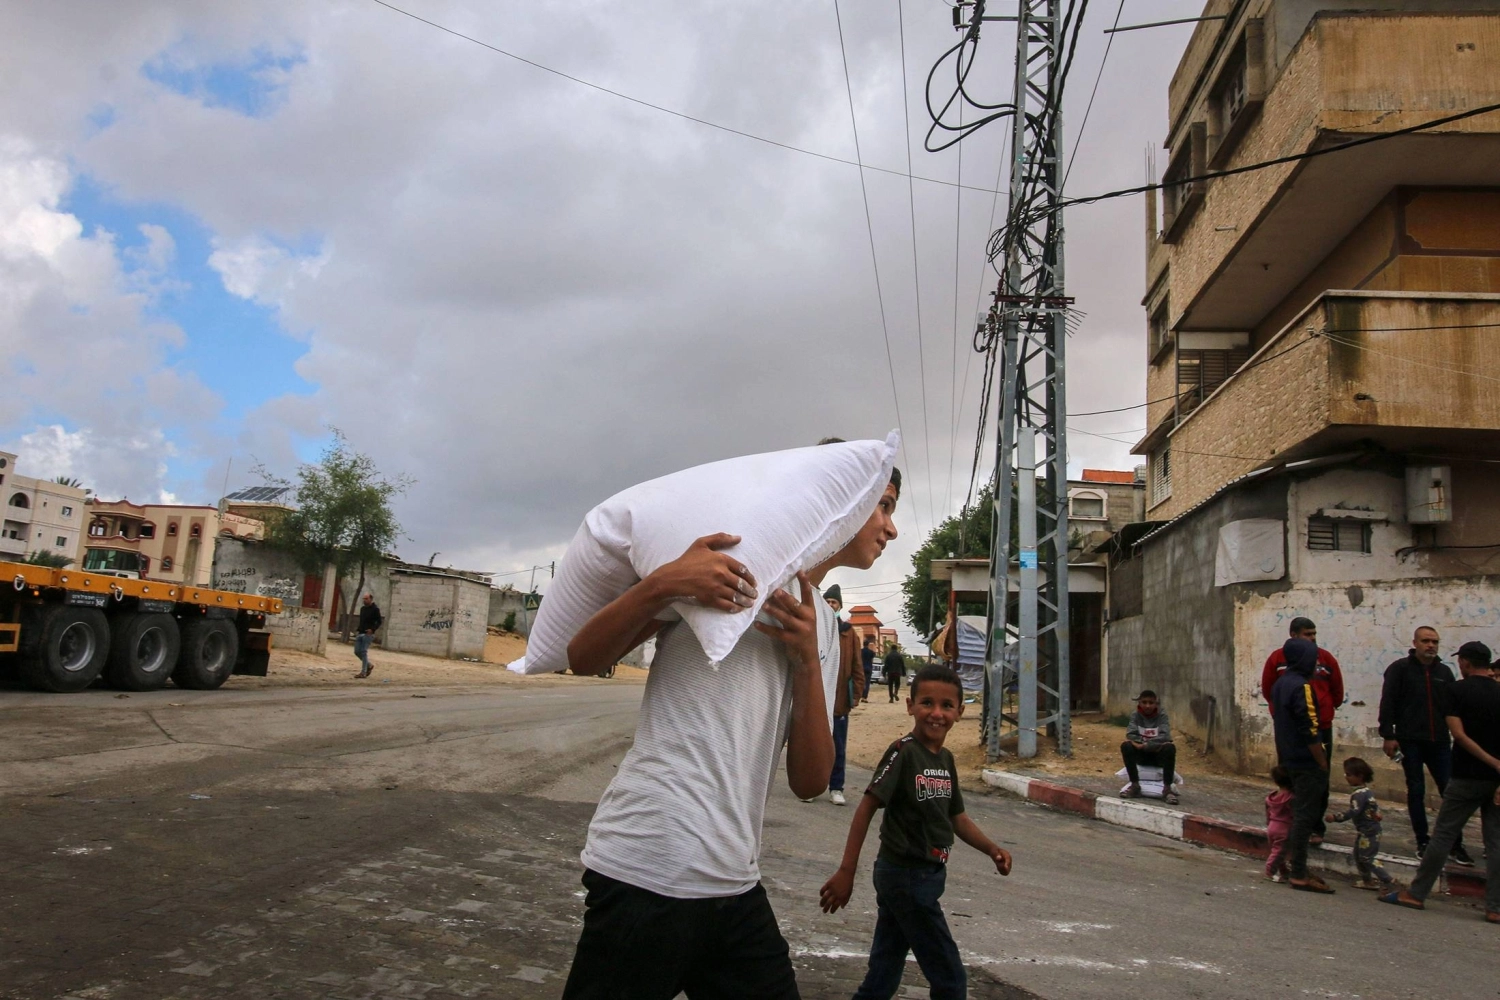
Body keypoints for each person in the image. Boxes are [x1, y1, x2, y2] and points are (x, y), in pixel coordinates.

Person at [560, 466, 902, 1000]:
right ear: (840, 497)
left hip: (732, 882)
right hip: (648, 866)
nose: (890, 527)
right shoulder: (733, 570)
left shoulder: (828, 628)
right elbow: (583, 658)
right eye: (883, 504)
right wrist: (664, 582)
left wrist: (807, 660)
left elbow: (811, 780)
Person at [819, 664, 1012, 1000]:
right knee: (950, 979)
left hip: (925, 875)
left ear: (960, 712)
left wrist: (992, 849)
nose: (936, 714)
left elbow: (957, 817)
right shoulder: (903, 752)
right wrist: (847, 871)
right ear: (910, 706)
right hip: (906, 877)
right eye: (926, 703)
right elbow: (866, 808)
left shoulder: (946, 760)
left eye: (946, 706)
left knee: (884, 972)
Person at [1380, 640, 1500, 922]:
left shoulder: (1455, 690)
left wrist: (1490, 760)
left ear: (1466, 663)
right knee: (1495, 842)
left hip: (1465, 775)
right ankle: (1495, 907)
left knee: (1444, 835)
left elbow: (1458, 735)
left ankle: (1416, 893)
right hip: (1496, 782)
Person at [1378, 626, 1473, 866]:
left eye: (1435, 642)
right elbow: (1387, 703)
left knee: (1450, 792)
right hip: (1409, 740)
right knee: (1416, 790)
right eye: (1426, 641)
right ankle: (1422, 841)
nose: (1431, 646)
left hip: (1439, 741)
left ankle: (1455, 844)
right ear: (1415, 643)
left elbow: (1453, 706)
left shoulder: (1444, 672)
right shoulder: (1399, 670)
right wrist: (1388, 735)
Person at [1261, 617, 1344, 841]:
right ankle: (1288, 822)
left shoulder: (1325, 659)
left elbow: (1337, 692)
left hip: (1320, 728)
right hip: (1290, 731)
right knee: (1290, 778)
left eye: (1314, 634)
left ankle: (1315, 826)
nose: (1313, 638)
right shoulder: (1277, 660)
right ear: (1294, 636)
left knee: (1320, 780)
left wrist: (1324, 711)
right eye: (1308, 634)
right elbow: (1269, 690)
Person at [1271, 637, 1334, 893]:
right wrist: (1322, 762)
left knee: (1295, 814)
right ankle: (1298, 873)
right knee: (1305, 817)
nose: (1316, 663)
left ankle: (1290, 865)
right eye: (1312, 658)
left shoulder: (1280, 684)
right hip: (1306, 760)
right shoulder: (1302, 686)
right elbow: (1309, 727)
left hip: (1288, 758)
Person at [1325, 757, 1395, 891]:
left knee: (1367, 857)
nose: (1346, 777)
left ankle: (1387, 879)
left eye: (1349, 775)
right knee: (1358, 855)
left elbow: (1354, 811)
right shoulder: (1366, 792)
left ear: (1360, 776)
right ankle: (1367, 881)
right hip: (1367, 830)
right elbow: (1375, 810)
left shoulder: (1359, 795)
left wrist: (1335, 817)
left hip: (1368, 831)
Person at [825, 584, 860, 807]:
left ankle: (836, 788)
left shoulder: (849, 633)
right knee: (813, 745)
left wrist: (855, 695)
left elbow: (857, 667)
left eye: (834, 603)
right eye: (827, 602)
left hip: (839, 701)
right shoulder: (814, 628)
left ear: (840, 607)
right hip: (817, 699)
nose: (830, 606)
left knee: (838, 746)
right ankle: (811, 786)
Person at [1120, 690, 1179, 804]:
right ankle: (1135, 785)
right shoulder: (1135, 715)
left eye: (1151, 703)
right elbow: (1131, 734)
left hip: (1158, 756)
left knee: (1170, 747)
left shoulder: (1162, 716)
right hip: (1142, 756)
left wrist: (1145, 745)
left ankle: (1167, 789)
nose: (1147, 706)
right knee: (1126, 745)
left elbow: (1165, 736)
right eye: (1144, 702)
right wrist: (1152, 745)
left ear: (1156, 703)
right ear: (1139, 703)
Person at [1265, 765, 1295, 883]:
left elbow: (1267, 812)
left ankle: (1284, 871)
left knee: (1277, 850)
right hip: (1284, 828)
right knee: (1279, 851)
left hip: (1272, 826)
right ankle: (1269, 871)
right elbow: (1294, 813)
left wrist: (1268, 822)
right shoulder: (1291, 798)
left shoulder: (1271, 797)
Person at [353, 593, 382, 679]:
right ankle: (369, 665)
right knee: (357, 651)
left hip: (368, 634)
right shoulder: (362, 609)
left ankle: (363, 672)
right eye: (364, 599)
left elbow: (379, 621)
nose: (364, 600)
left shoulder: (375, 609)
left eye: (366, 599)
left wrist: (372, 630)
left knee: (363, 652)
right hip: (360, 632)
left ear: (371, 599)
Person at [861, 635, 878, 704]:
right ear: (868, 645)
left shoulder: (860, 651)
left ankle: (861, 696)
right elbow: (874, 655)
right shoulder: (871, 652)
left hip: (861, 668)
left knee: (861, 682)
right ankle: (865, 697)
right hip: (869, 668)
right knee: (867, 683)